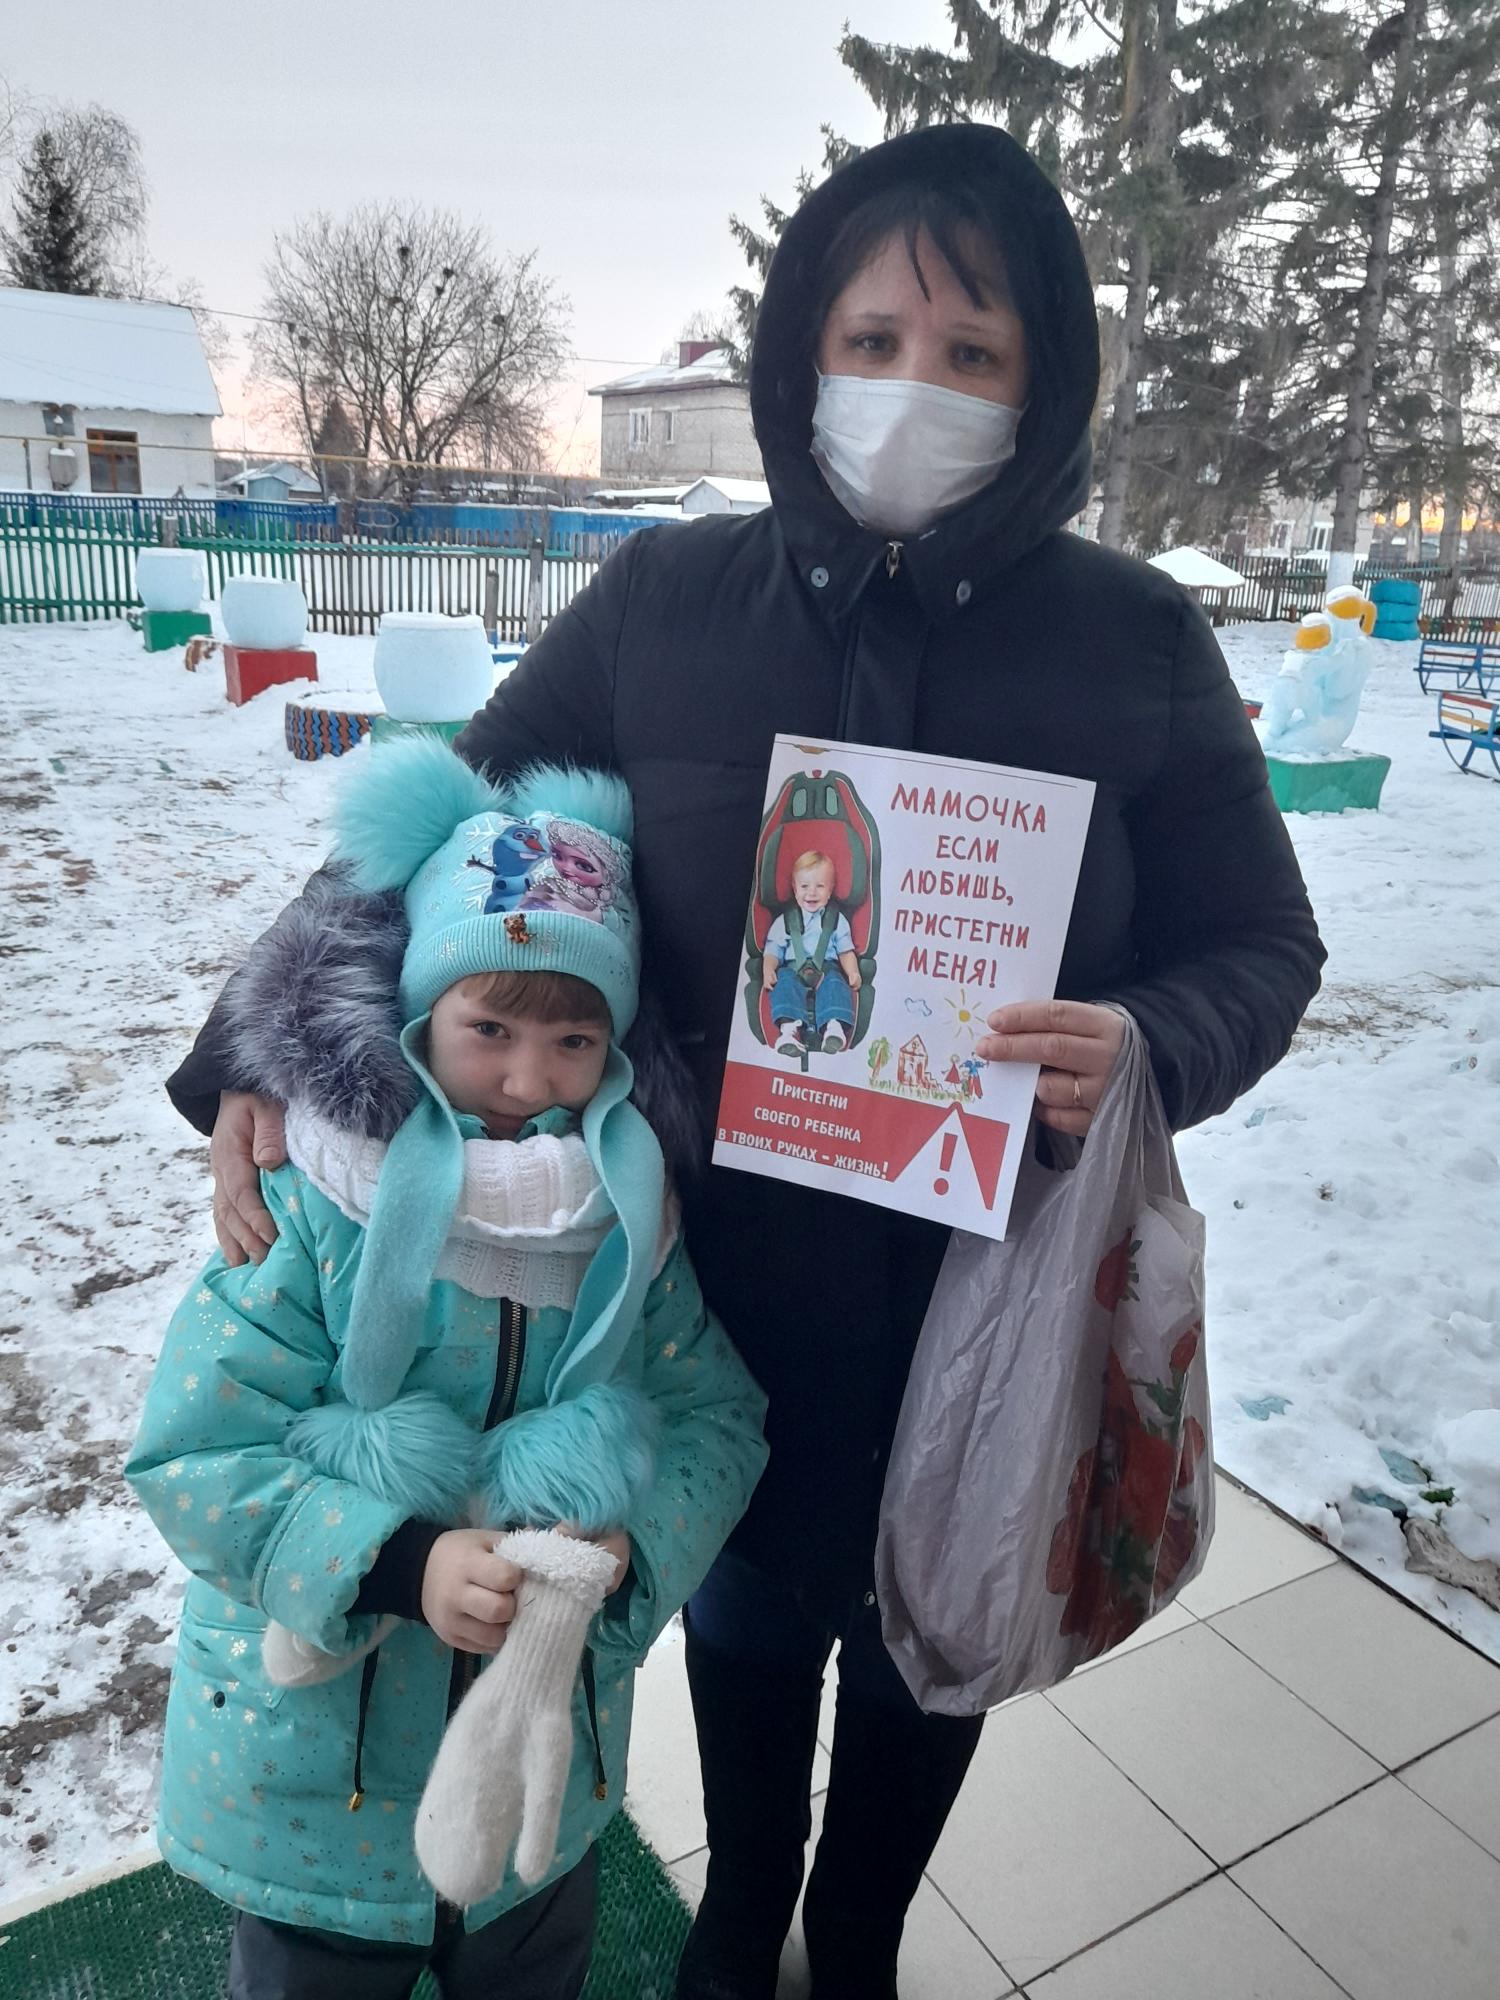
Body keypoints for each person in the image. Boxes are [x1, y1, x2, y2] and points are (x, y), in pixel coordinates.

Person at [173, 124, 1324, 2000]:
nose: (913, 386)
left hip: (987, 1301)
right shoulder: (667, 605)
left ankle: (856, 1945)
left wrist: (1143, 1043)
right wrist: (257, 1042)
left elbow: (1263, 943)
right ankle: (736, 1917)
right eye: (873, 339)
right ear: (800, 358)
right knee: (743, 1613)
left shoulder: (1134, 641)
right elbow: (437, 827)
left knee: (931, 1646)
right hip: (717, 1287)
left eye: (971, 352)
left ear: (1042, 388)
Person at [127, 743, 767, 2000]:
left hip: (535, 1782)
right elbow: (195, 1448)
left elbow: (719, 1418)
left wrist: (628, 1552)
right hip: (318, 1795)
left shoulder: (628, 1224)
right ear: (422, 1013)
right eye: (490, 1029)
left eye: (574, 1036)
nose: (529, 1077)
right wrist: (396, 1560)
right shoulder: (316, 1203)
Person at [762, 849, 862, 1056]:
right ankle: (788, 1033)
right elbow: (773, 949)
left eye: (820, 886)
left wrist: (853, 972)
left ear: (830, 890)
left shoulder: (837, 920)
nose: (812, 893)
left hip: (827, 970)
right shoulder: (785, 920)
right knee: (784, 983)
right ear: (795, 888)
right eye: (804, 886)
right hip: (792, 970)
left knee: (836, 984)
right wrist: (768, 969)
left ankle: (833, 1028)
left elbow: (845, 951)